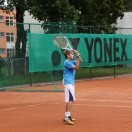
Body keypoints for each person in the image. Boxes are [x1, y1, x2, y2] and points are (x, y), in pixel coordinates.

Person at [63, 49, 82, 125]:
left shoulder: (72, 61)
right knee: (71, 99)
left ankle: (66, 116)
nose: (72, 55)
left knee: (69, 99)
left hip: (71, 82)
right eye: (71, 54)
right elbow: (77, 67)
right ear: (68, 55)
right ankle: (67, 117)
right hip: (68, 82)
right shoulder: (67, 62)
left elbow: (80, 61)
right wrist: (77, 57)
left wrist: (77, 54)